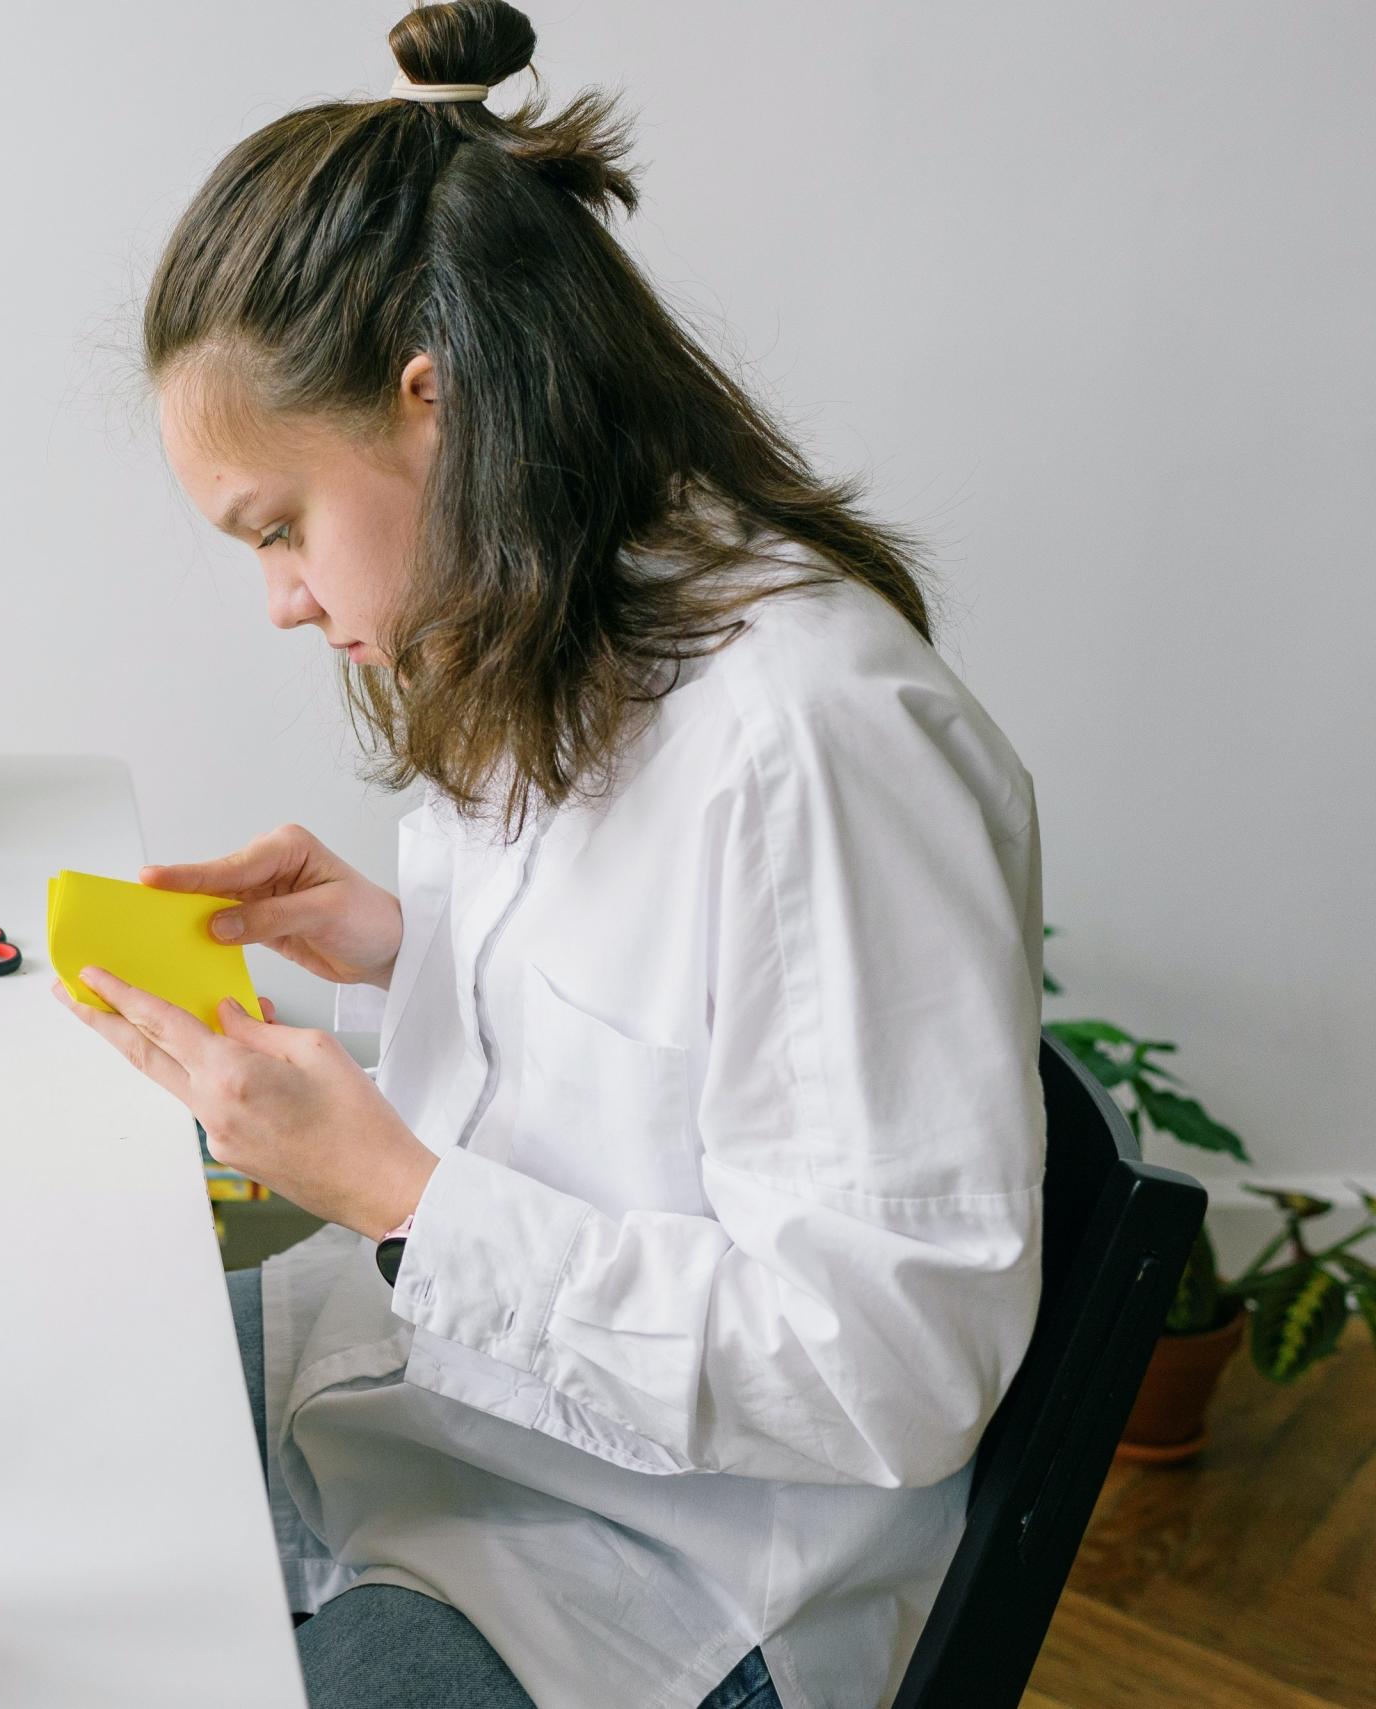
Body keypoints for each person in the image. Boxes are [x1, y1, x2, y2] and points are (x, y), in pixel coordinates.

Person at [51, 5, 1047, 1707]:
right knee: (55, 1426)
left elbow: (894, 1365)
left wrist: (395, 1193)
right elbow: (648, 1075)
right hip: (444, 1403)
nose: (284, 595)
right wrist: (409, 948)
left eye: (279, 525)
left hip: (671, 1569)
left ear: (430, 406)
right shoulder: (536, 623)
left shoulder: (818, 736)